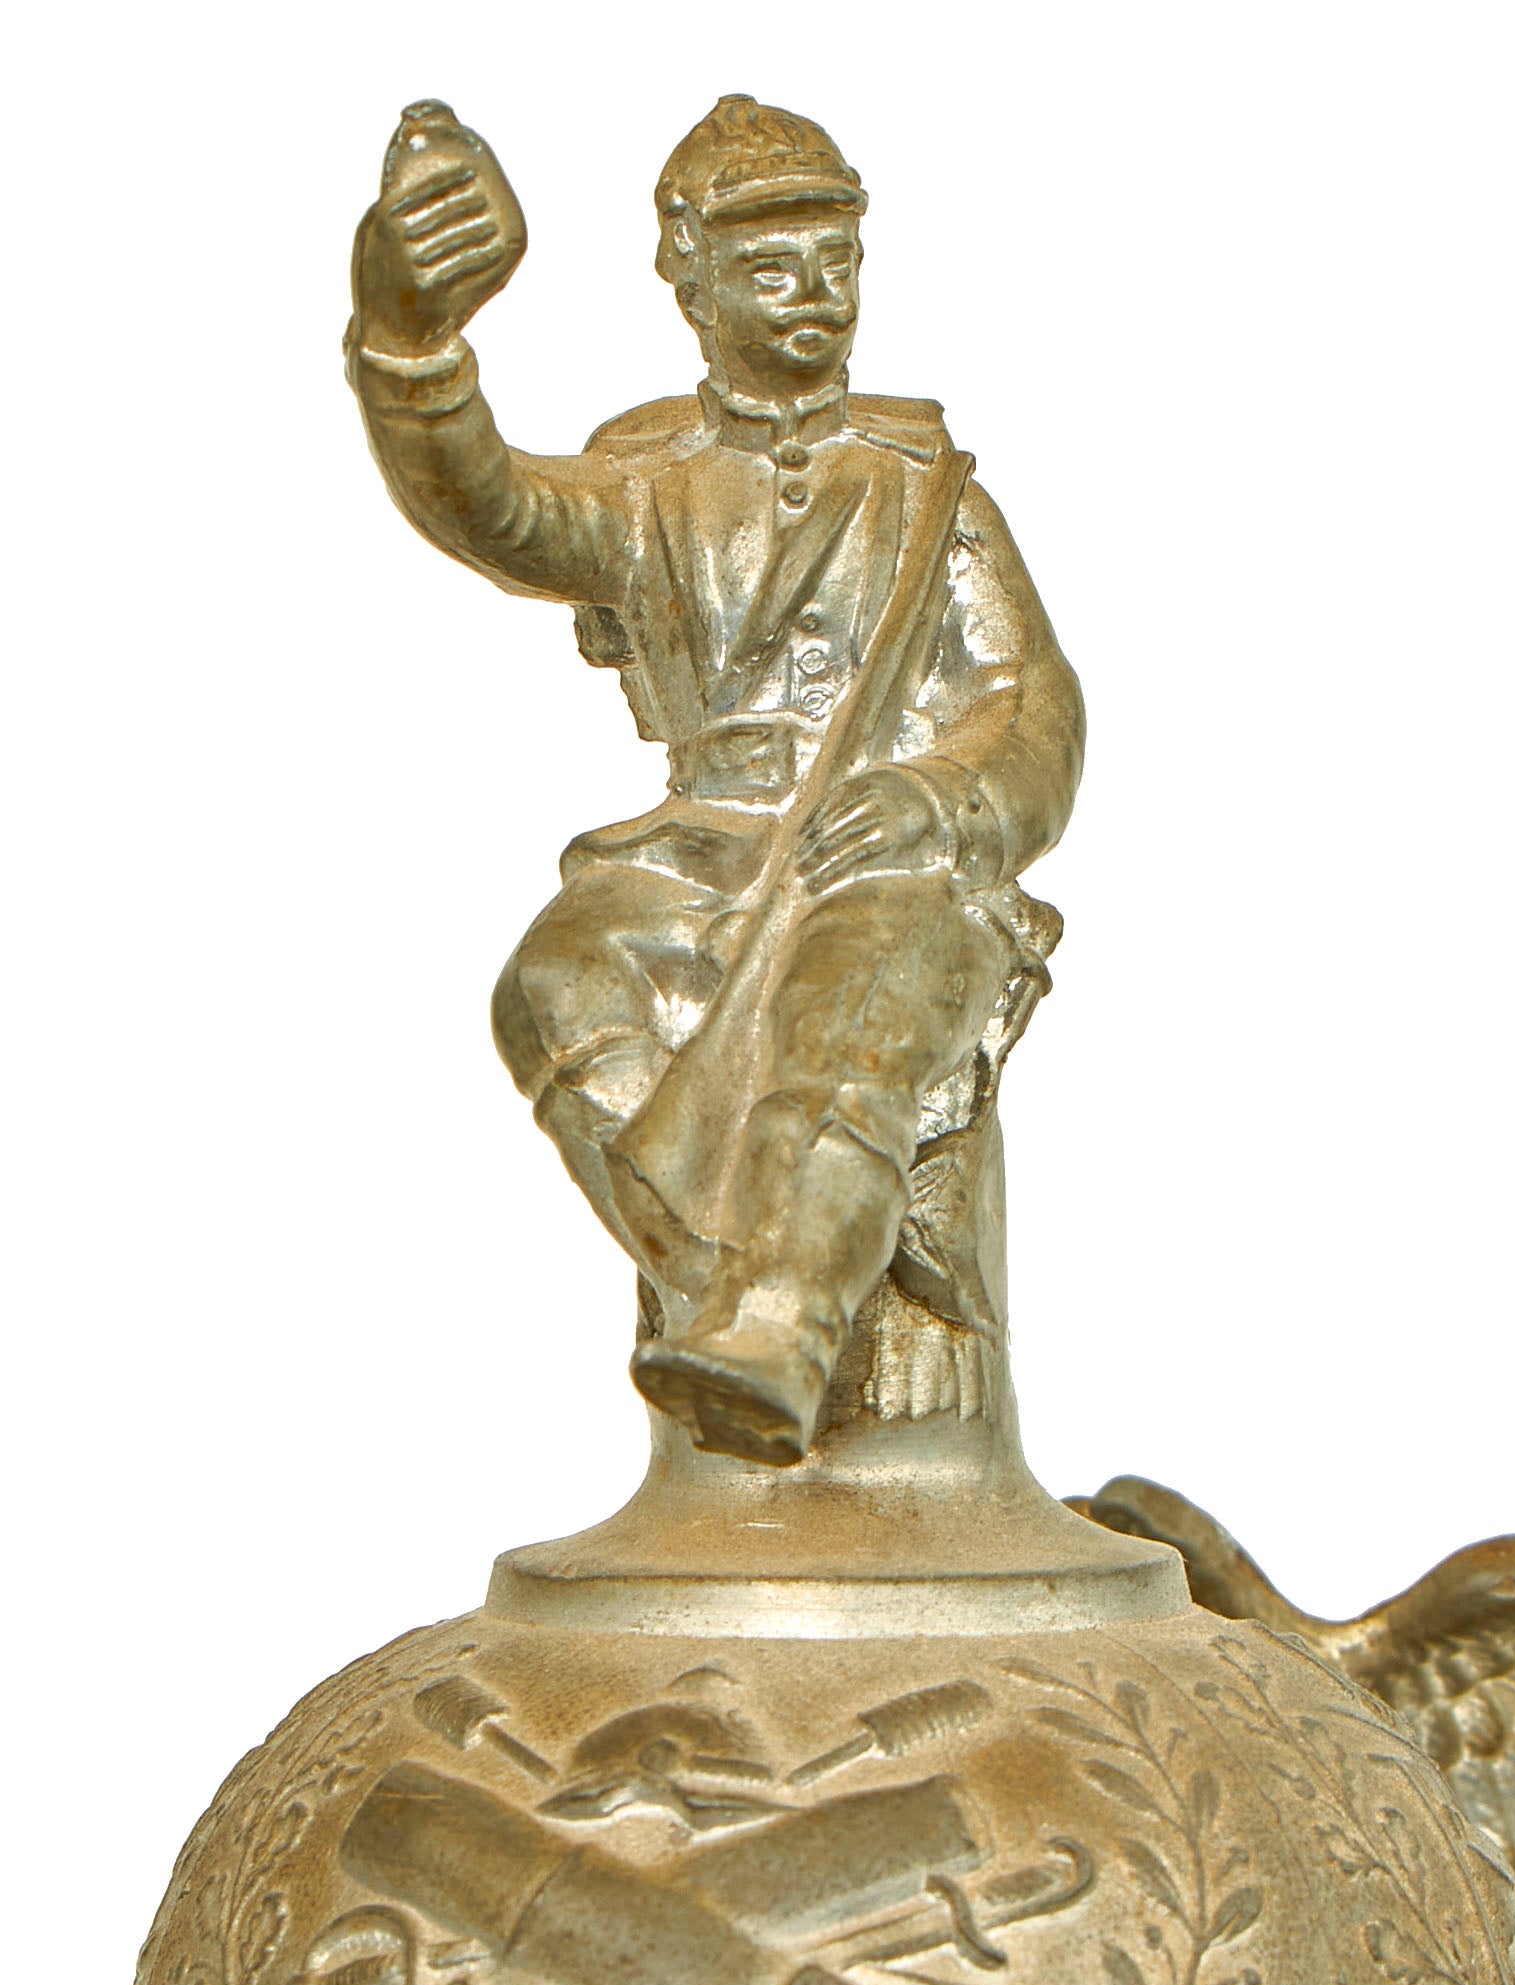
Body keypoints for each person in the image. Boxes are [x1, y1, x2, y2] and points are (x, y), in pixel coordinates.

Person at [348, 94, 1084, 1464]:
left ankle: (787, 1327)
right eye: (771, 267)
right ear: (690, 281)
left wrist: (941, 802)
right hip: (699, 851)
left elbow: (1028, 700)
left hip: (887, 852)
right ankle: (715, 1284)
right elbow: (491, 504)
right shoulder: (650, 483)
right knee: (557, 983)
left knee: (848, 1011)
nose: (817, 296)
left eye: (837, 261)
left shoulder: (930, 491)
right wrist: (412, 346)